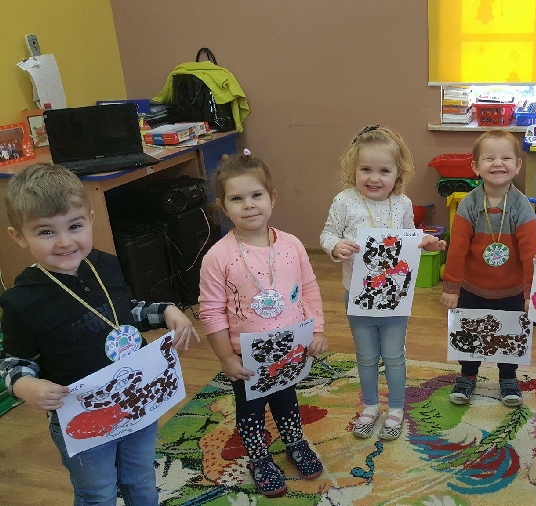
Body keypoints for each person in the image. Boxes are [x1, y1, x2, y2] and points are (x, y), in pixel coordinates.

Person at [0, 163, 199, 506]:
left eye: (75, 226)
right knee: (98, 492)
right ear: (19, 236)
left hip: (136, 401)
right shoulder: (22, 301)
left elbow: (126, 312)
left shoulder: (106, 264)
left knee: (140, 476)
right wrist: (24, 385)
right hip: (81, 417)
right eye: (45, 232)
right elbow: (13, 361)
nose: (65, 242)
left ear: (90, 220)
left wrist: (167, 310)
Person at [198, 149, 328, 498]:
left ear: (272, 198)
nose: (249, 205)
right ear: (223, 207)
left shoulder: (292, 245)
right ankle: (258, 458)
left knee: (287, 399)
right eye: (237, 199)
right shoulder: (218, 257)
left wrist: (317, 329)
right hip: (247, 356)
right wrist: (227, 358)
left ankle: (294, 442)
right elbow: (211, 312)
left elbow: (309, 288)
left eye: (256, 195)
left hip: (290, 348)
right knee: (251, 409)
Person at [320, 125, 445, 441]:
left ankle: (396, 410)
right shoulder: (344, 201)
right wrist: (335, 246)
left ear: (398, 173)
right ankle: (371, 407)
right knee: (365, 357)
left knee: (393, 356)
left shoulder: (402, 203)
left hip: (394, 299)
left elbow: (410, 240)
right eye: (366, 169)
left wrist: (425, 242)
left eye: (384, 171)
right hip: (358, 297)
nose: (374, 178)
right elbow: (328, 234)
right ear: (353, 169)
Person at [440, 130, 536, 407]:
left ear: (518, 165)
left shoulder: (522, 207)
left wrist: (531, 294)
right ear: (475, 167)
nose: (498, 163)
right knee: (469, 333)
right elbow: (457, 249)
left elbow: (531, 255)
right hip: (472, 288)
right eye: (489, 158)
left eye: (506, 158)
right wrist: (451, 287)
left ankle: (508, 377)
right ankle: (467, 375)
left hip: (511, 290)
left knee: (509, 335)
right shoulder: (469, 205)